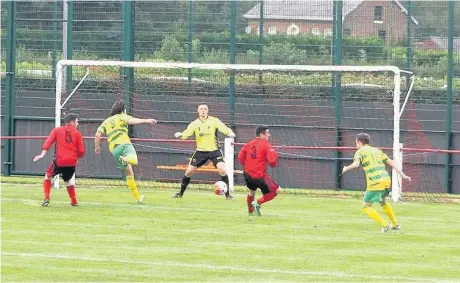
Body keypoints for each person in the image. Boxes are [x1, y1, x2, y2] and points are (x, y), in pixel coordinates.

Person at [342, 133, 411, 232]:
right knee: (382, 202)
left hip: (375, 182)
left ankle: (385, 225)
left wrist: (346, 168)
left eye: (356, 142)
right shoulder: (377, 151)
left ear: (359, 142)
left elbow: (356, 164)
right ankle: (395, 225)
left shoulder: (360, 151)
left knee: (365, 207)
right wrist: (403, 175)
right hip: (386, 181)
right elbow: (392, 162)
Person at [94, 99, 157, 203]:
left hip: (114, 150)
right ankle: (126, 158)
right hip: (124, 144)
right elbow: (132, 121)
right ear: (123, 110)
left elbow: (97, 134)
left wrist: (97, 147)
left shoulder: (106, 121)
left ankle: (138, 197)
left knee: (129, 173)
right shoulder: (122, 117)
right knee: (134, 160)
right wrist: (146, 120)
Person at [172, 104, 236, 199]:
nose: (203, 111)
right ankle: (180, 193)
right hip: (200, 152)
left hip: (214, 151)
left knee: (222, 169)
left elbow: (223, 128)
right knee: (189, 172)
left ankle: (227, 195)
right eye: (201, 109)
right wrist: (180, 135)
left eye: (205, 109)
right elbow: (187, 133)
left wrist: (229, 132)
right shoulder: (194, 123)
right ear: (198, 111)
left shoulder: (214, 120)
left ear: (208, 111)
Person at [33, 113, 85, 207]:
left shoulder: (56, 130)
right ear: (72, 122)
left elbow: (48, 142)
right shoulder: (78, 134)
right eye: (77, 122)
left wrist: (42, 155)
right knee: (68, 181)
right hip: (71, 162)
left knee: (48, 176)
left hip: (59, 161)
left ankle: (46, 198)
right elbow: (81, 151)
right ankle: (74, 201)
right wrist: (77, 159)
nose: (77, 124)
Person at [237, 125, 280, 216]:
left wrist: (247, 166)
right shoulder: (266, 145)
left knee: (252, 192)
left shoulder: (248, 144)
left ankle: (250, 212)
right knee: (277, 190)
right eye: (267, 133)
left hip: (247, 174)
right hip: (259, 175)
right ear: (261, 134)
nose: (269, 135)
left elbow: (240, 157)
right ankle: (258, 203)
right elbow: (272, 162)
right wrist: (274, 157)